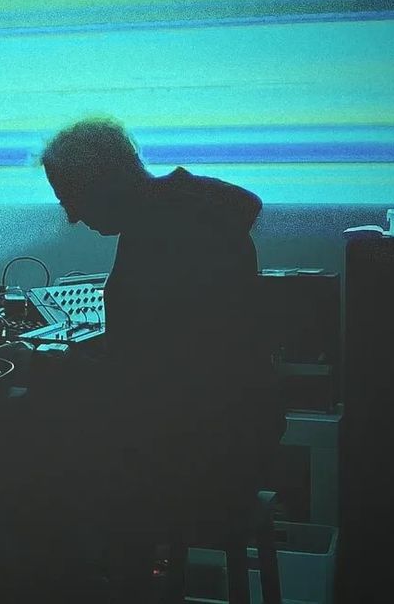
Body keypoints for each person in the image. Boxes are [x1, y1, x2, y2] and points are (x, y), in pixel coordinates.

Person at [37, 116, 285, 599]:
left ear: (102, 181)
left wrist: (46, 363)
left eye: (71, 199)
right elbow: (166, 354)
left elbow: (140, 384)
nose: (71, 218)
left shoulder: (160, 238)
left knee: (41, 474)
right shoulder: (193, 211)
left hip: (203, 455)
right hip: (242, 436)